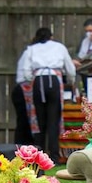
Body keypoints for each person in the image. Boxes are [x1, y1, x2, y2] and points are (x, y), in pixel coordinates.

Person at [17, 26, 76, 165]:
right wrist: (71, 80)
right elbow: (70, 68)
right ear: (51, 37)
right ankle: (54, 156)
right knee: (53, 120)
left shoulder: (32, 49)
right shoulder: (59, 47)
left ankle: (39, 155)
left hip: (39, 81)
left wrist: (32, 78)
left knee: (40, 121)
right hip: (54, 80)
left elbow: (26, 70)